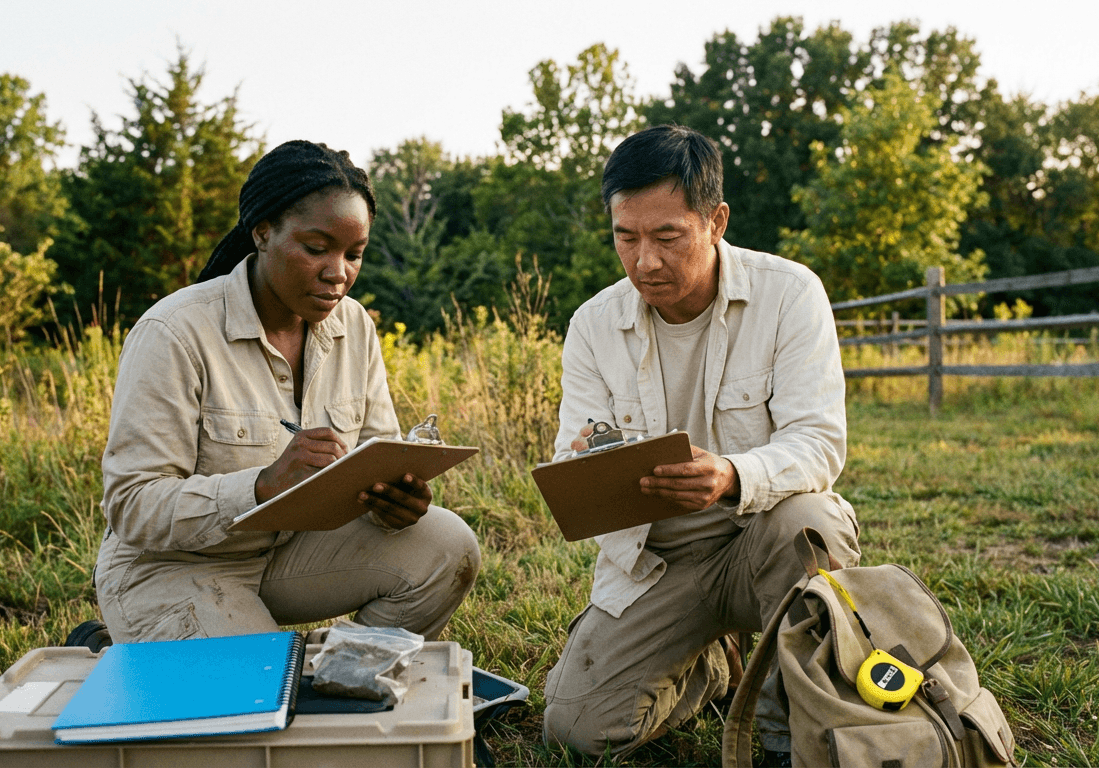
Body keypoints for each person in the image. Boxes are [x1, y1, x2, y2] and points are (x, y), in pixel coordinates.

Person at [541, 125, 861, 761]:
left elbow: (819, 441)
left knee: (814, 521)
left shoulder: (790, 294)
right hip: (657, 562)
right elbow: (571, 461)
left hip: (760, 538)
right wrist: (586, 470)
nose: (644, 262)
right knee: (576, 729)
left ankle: (790, 730)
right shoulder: (593, 325)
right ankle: (712, 666)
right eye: (625, 237)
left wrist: (733, 475)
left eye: (667, 238)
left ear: (716, 222)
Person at [93, 140, 480, 644]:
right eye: (317, 249)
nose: (338, 273)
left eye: (354, 254)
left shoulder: (354, 327)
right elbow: (131, 504)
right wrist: (262, 486)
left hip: (287, 554)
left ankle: (335, 664)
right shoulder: (173, 331)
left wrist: (392, 503)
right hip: (170, 567)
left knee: (448, 547)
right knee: (263, 688)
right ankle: (123, 648)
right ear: (262, 232)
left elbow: (374, 455)